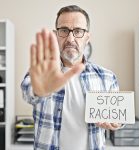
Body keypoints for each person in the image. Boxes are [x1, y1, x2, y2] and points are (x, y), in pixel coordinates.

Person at [21, 5, 122, 150]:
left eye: (78, 31)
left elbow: (118, 115)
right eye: (64, 30)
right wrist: (40, 91)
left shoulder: (107, 77)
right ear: (56, 35)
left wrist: (116, 122)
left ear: (87, 37)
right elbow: (28, 92)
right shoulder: (42, 71)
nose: (70, 38)